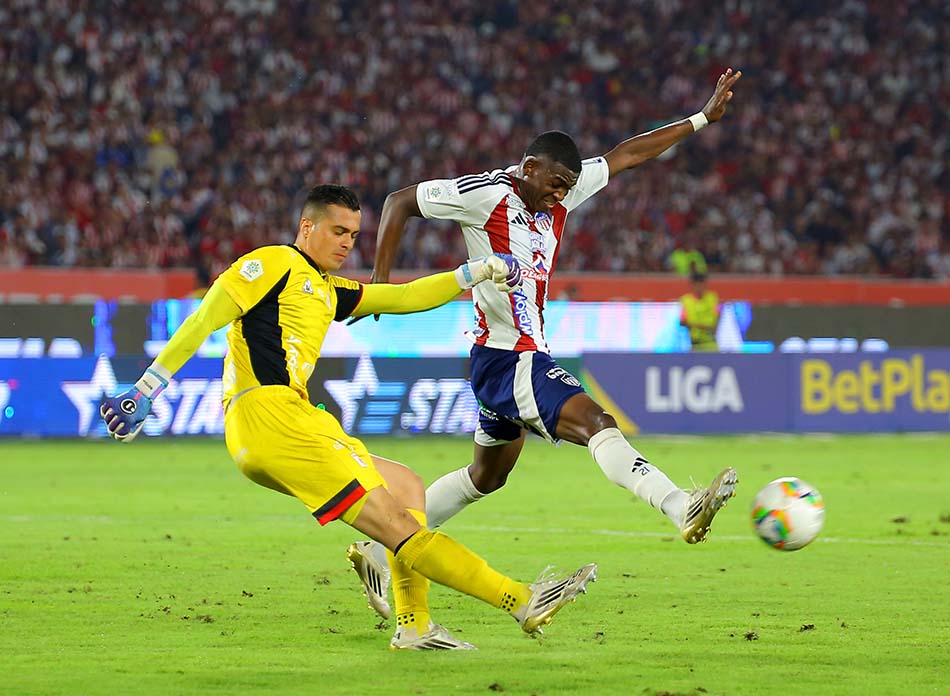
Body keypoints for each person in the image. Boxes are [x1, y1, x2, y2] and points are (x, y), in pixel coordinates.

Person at [98, 184, 596, 651]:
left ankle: (414, 625)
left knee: (406, 486)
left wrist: (475, 272)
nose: (346, 243)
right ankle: (520, 600)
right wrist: (146, 388)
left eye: (354, 235)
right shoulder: (272, 262)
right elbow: (205, 316)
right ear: (307, 227)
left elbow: (402, 297)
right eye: (338, 231)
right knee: (395, 525)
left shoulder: (326, 287)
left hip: (292, 416)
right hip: (270, 416)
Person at [348, 69, 743, 620]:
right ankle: (681, 506)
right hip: (511, 358)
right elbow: (398, 201)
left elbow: (627, 155)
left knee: (487, 476)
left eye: (567, 187)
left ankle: (376, 546)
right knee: (597, 422)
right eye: (555, 183)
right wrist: (380, 286)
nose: (562, 195)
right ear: (529, 167)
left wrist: (700, 118)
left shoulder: (560, 191)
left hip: (501, 361)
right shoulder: (485, 194)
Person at [680, 266, 721, 352]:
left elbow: (716, 320)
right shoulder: (686, 300)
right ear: (692, 284)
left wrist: (694, 325)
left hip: (710, 344)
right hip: (694, 344)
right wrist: (703, 326)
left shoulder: (712, 298)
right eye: (696, 283)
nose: (699, 286)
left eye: (701, 283)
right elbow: (682, 322)